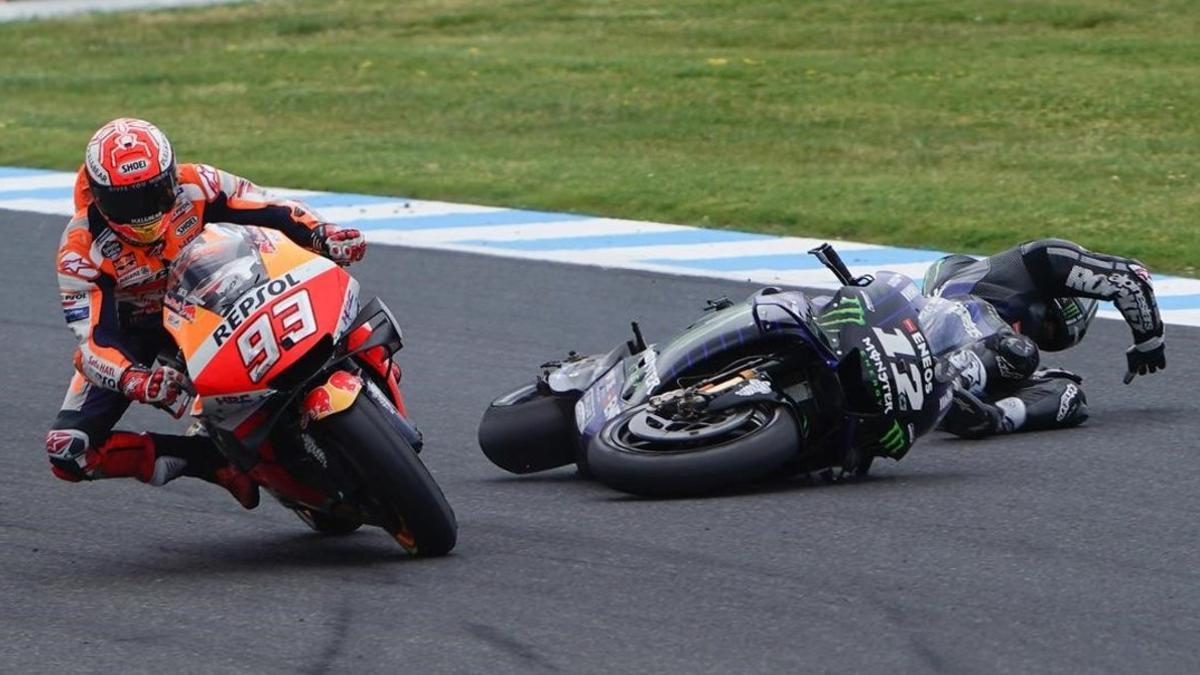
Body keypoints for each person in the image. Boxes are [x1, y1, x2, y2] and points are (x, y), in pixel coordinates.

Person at [47, 117, 368, 508]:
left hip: (219, 290)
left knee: (327, 281)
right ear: (98, 196)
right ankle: (211, 462)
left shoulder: (199, 183)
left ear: (170, 176)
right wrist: (135, 378)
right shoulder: (79, 249)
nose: (143, 214)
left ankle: (368, 355)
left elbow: (271, 209)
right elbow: (93, 340)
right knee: (69, 452)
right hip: (140, 334)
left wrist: (323, 233)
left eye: (153, 194)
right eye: (126, 202)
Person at [922, 239, 1165, 438]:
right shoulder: (1035, 262)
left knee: (1069, 394)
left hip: (959, 370)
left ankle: (991, 418)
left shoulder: (1005, 333)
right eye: (1048, 329)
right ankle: (944, 383)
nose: (1038, 336)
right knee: (1020, 351)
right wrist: (1149, 340)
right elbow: (1131, 277)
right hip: (927, 343)